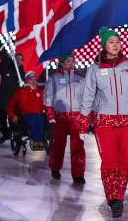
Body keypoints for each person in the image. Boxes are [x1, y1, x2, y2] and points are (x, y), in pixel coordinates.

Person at [79, 27, 128, 218]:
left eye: (117, 41)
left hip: (127, 122)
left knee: (125, 163)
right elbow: (88, 96)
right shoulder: (94, 69)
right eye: (111, 41)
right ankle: (114, 199)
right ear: (104, 45)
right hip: (105, 123)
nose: (115, 44)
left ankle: (119, 194)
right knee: (109, 162)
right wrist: (83, 121)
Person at [46, 52, 86, 183]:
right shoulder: (54, 78)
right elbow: (48, 97)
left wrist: (86, 115)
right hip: (60, 117)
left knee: (78, 147)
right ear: (62, 63)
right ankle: (55, 168)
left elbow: (86, 98)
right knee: (58, 145)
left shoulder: (80, 79)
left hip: (76, 117)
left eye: (72, 61)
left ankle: (79, 174)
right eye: (67, 61)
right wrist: (50, 114)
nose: (71, 63)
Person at [6, 71, 46, 150]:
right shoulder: (21, 91)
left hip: (39, 114)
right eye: (31, 79)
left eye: (35, 79)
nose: (34, 81)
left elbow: (46, 103)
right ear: (27, 80)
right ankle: (36, 142)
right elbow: (10, 106)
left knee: (42, 122)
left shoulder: (41, 91)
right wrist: (12, 115)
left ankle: (38, 141)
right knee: (33, 122)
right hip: (26, 115)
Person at [0, 52, 24, 145]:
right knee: (2, 119)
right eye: (17, 59)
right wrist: (7, 58)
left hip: (15, 101)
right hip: (4, 99)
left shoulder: (22, 73)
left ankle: (15, 135)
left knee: (14, 119)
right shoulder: (7, 68)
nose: (19, 61)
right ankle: (6, 135)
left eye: (21, 60)